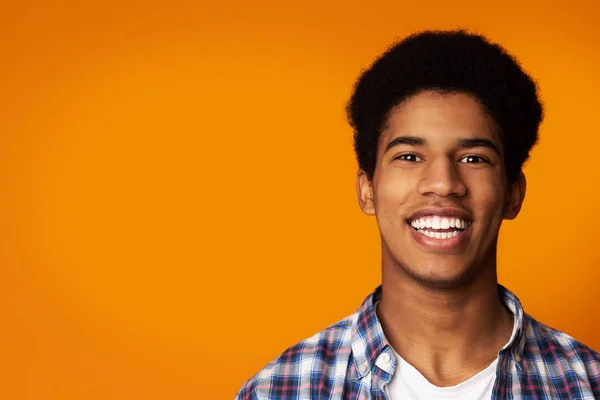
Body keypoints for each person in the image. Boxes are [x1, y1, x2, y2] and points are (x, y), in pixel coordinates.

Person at [234, 30, 600, 399]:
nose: (442, 184)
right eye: (409, 156)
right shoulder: (280, 389)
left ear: (512, 194)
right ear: (367, 190)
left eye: (473, 158)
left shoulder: (588, 383)